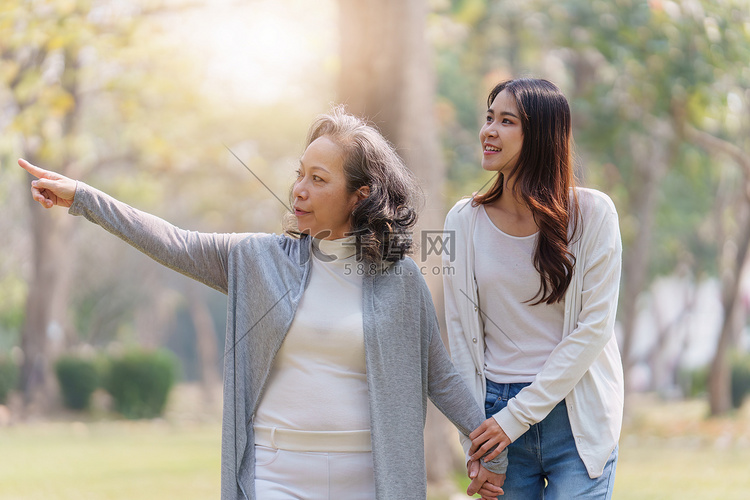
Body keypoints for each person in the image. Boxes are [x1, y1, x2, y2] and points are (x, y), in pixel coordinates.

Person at [20, 107, 506, 500]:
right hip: (276, 476)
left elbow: (438, 373)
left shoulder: (399, 277)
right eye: (300, 174)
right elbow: (172, 241)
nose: (299, 189)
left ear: (359, 196)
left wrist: (488, 451)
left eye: (319, 179)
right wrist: (82, 197)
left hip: (371, 479)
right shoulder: (256, 259)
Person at [443, 78, 623, 499]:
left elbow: (593, 328)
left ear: (541, 135)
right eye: (489, 118)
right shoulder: (462, 221)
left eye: (507, 121)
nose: (489, 130)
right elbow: (461, 339)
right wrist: (475, 443)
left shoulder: (593, 215)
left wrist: (517, 417)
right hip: (495, 416)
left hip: (576, 415)